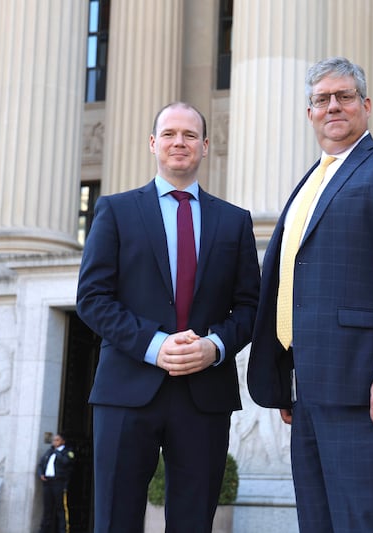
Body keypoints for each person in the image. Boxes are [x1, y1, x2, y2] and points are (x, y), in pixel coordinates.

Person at [247, 56, 373, 533]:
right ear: (309, 112)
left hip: (365, 387)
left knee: (364, 522)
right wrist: (286, 372)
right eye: (321, 99)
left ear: (365, 105)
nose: (333, 106)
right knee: (319, 524)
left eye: (344, 96)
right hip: (308, 391)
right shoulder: (307, 183)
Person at [76, 101, 260, 532]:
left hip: (205, 393)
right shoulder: (116, 211)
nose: (180, 142)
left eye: (190, 135)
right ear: (153, 143)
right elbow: (92, 298)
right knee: (115, 519)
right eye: (171, 134)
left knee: (194, 521)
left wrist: (214, 347)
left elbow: (251, 307)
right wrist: (155, 346)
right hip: (126, 390)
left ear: (205, 146)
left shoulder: (234, 222)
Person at [37, 432, 75, 533]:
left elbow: (66, 462)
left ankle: (63, 530)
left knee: (60, 508)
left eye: (57, 440)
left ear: (63, 441)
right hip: (48, 482)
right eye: (54, 440)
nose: (54, 442)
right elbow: (41, 464)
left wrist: (57, 452)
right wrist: (41, 474)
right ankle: (44, 530)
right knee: (47, 508)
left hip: (59, 483)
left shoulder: (68, 452)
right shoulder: (49, 451)